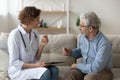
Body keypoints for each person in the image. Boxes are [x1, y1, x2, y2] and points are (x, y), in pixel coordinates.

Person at [8, 6, 58, 80]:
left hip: (32, 67)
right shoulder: (15, 35)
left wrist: (42, 45)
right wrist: (36, 65)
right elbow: (14, 62)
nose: (39, 21)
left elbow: (37, 57)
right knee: (45, 72)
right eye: (37, 19)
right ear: (29, 20)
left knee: (54, 70)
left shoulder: (35, 33)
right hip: (18, 70)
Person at [63, 11, 113, 80]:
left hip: (102, 71)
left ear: (90, 29)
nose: (79, 28)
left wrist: (77, 66)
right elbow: (82, 51)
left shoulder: (104, 44)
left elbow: (95, 68)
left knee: (89, 78)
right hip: (86, 68)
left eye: (81, 26)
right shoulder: (82, 37)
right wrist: (71, 52)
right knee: (69, 74)